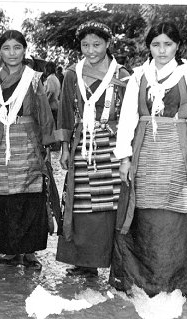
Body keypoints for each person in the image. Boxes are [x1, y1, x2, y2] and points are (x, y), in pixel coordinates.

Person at [110, 22, 187, 297]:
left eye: (168, 44)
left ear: (177, 46)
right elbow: (127, 120)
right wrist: (124, 157)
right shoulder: (138, 77)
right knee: (143, 211)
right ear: (149, 47)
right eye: (156, 44)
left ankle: (182, 282)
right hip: (145, 153)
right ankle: (142, 281)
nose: (162, 50)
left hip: (179, 154)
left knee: (179, 211)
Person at [0, 30, 56, 270]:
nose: (12, 53)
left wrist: (47, 145)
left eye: (17, 48)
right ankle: (9, 251)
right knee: (3, 196)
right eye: (7, 48)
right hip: (1, 141)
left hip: (28, 141)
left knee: (30, 194)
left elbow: (43, 113)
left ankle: (29, 252)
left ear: (24, 50)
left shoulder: (33, 79)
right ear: (0, 52)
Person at [55, 21, 130, 277]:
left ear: (108, 44)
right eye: (85, 45)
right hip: (82, 145)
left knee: (112, 203)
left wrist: (127, 153)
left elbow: (129, 115)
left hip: (112, 145)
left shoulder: (122, 76)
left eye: (97, 44)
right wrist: (64, 147)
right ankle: (85, 262)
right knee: (82, 203)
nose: (91, 50)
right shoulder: (71, 74)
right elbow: (65, 113)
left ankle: (113, 260)